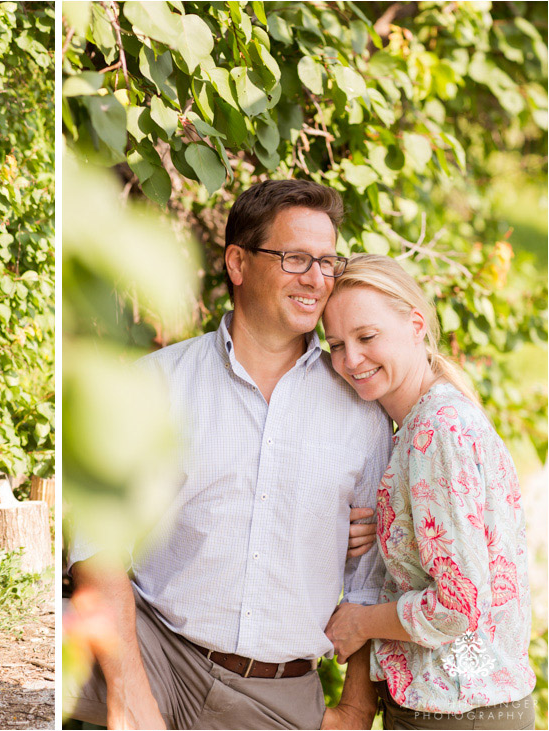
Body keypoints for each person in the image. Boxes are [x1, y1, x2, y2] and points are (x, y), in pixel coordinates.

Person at [64, 180, 393, 730]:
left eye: (327, 262)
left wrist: (357, 710)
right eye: (295, 259)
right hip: (154, 653)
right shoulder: (156, 384)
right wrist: (129, 691)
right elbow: (98, 543)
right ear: (237, 262)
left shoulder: (362, 410)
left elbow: (368, 580)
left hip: (277, 693)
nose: (316, 279)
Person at [322, 254, 535, 729]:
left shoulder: (436, 430)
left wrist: (359, 622)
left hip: (460, 714)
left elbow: (458, 607)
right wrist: (380, 532)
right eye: (336, 344)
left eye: (367, 337)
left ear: (416, 323)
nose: (351, 359)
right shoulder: (426, 421)